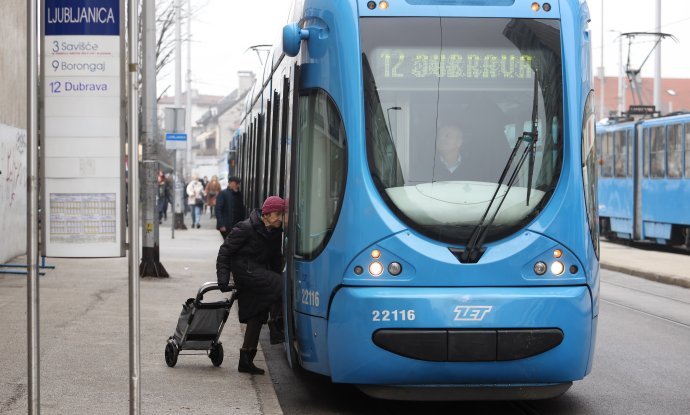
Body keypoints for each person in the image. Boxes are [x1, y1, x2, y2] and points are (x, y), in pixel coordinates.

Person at [216, 196, 286, 375]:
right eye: (277, 214)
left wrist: (279, 275)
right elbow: (225, 252)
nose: (280, 218)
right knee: (280, 285)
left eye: (282, 214)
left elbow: (275, 259)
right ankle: (276, 326)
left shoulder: (274, 232)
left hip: (258, 273)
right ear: (266, 214)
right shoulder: (245, 228)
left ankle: (246, 360)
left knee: (257, 314)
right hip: (244, 272)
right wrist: (223, 279)